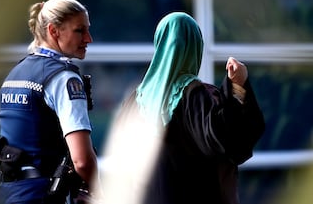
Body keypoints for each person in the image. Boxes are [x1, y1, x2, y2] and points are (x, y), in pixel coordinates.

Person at [100, 12, 265, 204]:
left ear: (159, 45)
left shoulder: (135, 100)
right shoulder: (195, 96)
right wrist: (238, 84)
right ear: (196, 47)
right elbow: (231, 142)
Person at [0, 0, 99, 204]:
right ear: (53, 31)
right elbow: (82, 161)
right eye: (80, 30)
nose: (89, 39)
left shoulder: (15, 74)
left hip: (9, 194)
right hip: (43, 195)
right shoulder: (64, 78)